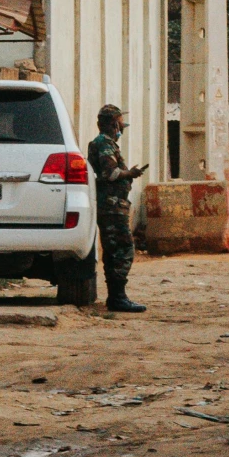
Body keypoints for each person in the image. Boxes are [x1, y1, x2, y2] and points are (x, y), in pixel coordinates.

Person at [88, 104, 150, 313]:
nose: (122, 127)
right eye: (120, 122)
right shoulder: (105, 144)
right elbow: (110, 173)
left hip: (112, 205)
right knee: (122, 250)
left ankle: (116, 296)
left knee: (114, 250)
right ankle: (117, 298)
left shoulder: (106, 143)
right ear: (114, 123)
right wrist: (130, 173)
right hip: (112, 206)